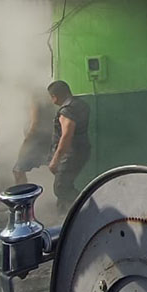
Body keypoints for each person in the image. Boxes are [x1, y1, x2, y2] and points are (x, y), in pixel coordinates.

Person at [48, 80, 91, 213]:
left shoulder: (66, 111)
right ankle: (64, 213)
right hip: (82, 149)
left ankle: (88, 208)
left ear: (55, 96)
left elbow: (66, 136)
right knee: (65, 183)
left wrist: (55, 160)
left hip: (71, 153)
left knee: (61, 187)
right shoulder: (80, 104)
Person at [13, 97, 52, 186]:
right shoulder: (43, 98)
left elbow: (35, 123)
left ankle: (22, 195)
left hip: (36, 141)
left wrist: (27, 140)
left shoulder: (35, 99)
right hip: (46, 139)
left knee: (18, 169)